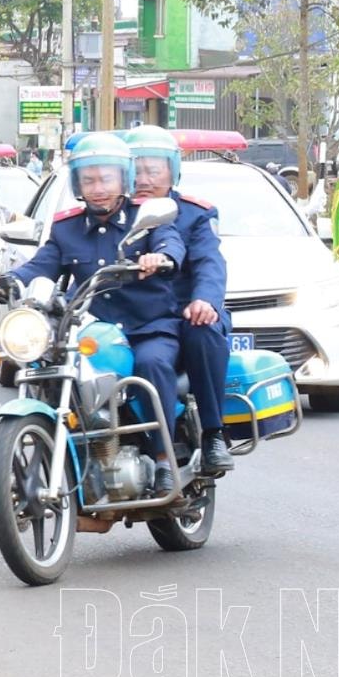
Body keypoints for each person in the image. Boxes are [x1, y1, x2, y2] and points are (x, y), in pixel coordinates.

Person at [0, 133, 191, 495]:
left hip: (147, 327)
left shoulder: (148, 216)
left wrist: (161, 258)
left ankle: (162, 459)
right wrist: (4, 279)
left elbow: (171, 242)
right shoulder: (67, 228)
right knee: (48, 367)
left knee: (152, 365)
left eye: (105, 179)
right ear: (78, 182)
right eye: (88, 180)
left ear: (123, 178)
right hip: (90, 330)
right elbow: (42, 265)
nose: (98, 188)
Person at [123, 125, 234, 474]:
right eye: (136, 170)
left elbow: (208, 262)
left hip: (185, 311)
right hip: (136, 315)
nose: (144, 178)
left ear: (173, 171)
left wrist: (205, 300)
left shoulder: (195, 213)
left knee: (203, 330)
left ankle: (214, 434)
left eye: (153, 170)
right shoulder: (115, 212)